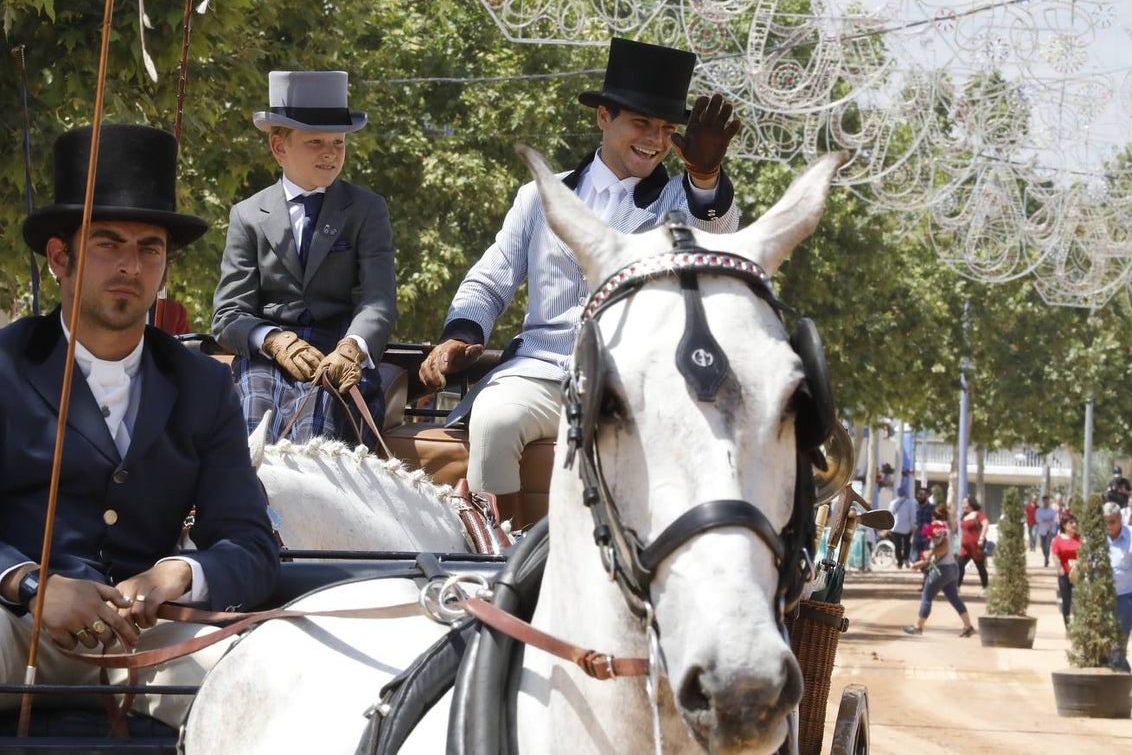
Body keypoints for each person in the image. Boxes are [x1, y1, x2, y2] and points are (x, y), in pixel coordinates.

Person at [0, 124, 281, 727]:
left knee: (266, 694)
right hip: (14, 627)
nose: (131, 265)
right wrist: (29, 584)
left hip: (147, 642)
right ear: (60, 258)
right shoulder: (6, 364)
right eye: (108, 244)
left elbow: (252, 545)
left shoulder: (203, 384)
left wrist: (180, 573)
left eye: (150, 249)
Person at [417, 38, 741, 528]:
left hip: (632, 383)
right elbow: (491, 278)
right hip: (540, 372)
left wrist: (707, 176)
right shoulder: (539, 196)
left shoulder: (683, 198)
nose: (655, 140)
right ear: (604, 117)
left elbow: (717, 241)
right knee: (495, 419)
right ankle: (505, 562)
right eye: (642, 123)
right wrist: (461, 333)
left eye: (667, 129)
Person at [212, 70, 396, 443]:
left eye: (339, 142)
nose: (330, 152)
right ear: (279, 147)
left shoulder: (367, 209)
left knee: (319, 424)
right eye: (315, 142)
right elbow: (228, 314)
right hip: (266, 358)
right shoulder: (247, 215)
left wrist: (353, 347)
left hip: (338, 355)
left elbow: (377, 298)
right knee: (253, 423)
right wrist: (273, 340)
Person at [903, 504, 976, 637]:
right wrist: (922, 563)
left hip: (941, 570)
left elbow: (943, 549)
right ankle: (968, 626)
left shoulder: (938, 529)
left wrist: (929, 553)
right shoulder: (949, 529)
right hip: (953, 568)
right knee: (954, 598)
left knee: (927, 596)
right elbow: (942, 553)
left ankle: (918, 626)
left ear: (934, 516)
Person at [1102, 501, 1132, 672]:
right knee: (1103, 636)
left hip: (1127, 594)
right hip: (1102, 595)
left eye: (1112, 522)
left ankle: (1121, 674)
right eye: (1105, 522)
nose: (1109, 526)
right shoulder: (1097, 537)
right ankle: (1120, 670)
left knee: (1120, 636)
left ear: (1120, 519)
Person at [1050, 513, 1081, 631]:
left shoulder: (1079, 538)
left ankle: (1078, 625)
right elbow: (1055, 555)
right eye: (1071, 523)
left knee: (1078, 599)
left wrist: (1080, 564)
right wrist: (1059, 568)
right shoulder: (1058, 540)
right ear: (1064, 525)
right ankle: (1068, 626)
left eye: (1075, 522)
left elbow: (1084, 553)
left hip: (1078, 573)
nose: (1074, 525)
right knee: (1066, 600)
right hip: (1065, 574)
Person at [956, 495, 990, 594]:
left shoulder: (978, 514)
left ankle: (985, 587)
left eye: (965, 503)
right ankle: (957, 586)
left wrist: (982, 538)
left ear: (970, 503)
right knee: (959, 565)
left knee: (980, 567)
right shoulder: (964, 516)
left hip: (976, 546)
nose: (963, 505)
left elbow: (985, 524)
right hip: (964, 547)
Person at [888, 486, 915, 569]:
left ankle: (899, 562)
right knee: (907, 545)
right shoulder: (910, 503)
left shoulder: (893, 503)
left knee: (898, 546)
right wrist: (912, 526)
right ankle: (905, 558)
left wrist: (889, 527)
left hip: (895, 528)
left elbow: (890, 515)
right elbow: (913, 516)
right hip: (907, 528)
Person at [911, 486, 934, 564]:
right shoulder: (915, 507)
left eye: (922, 494)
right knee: (914, 560)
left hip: (927, 538)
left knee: (925, 560)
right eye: (918, 494)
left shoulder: (932, 508)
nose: (919, 496)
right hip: (916, 537)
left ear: (928, 495)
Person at [1034, 494, 1058, 567]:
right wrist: (1044, 520)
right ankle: (1046, 556)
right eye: (1044, 501)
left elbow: (1054, 520)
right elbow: (1037, 519)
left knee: (1047, 546)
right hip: (1041, 530)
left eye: (1047, 501)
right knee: (1043, 546)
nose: (1046, 503)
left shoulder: (1052, 511)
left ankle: (1046, 559)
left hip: (1049, 530)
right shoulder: (1039, 510)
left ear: (1048, 502)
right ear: (1043, 502)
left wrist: (1049, 523)